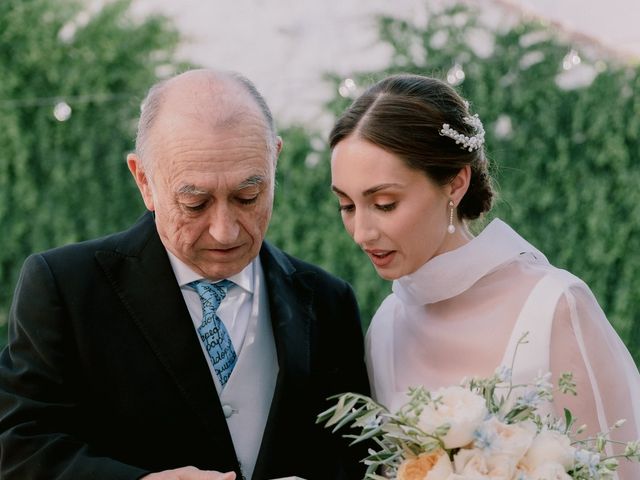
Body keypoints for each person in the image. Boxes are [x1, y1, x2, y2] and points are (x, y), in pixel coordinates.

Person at [0, 69, 370, 480]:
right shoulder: (64, 287)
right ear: (144, 180)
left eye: (248, 196)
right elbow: (18, 447)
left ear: (275, 160)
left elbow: (355, 454)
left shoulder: (329, 301)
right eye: (195, 203)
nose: (224, 230)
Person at [328, 73, 640, 478]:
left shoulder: (553, 307)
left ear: (456, 183)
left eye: (384, 203)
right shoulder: (387, 326)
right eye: (347, 206)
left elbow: (621, 466)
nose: (361, 233)